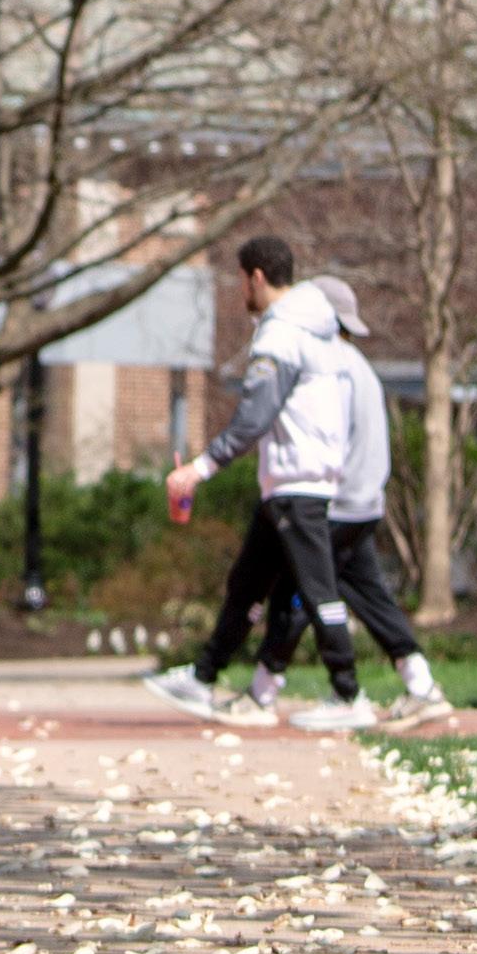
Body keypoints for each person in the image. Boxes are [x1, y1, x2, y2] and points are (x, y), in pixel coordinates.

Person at [145, 235, 375, 731]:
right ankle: (203, 678)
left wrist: (198, 468)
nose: (239, 293)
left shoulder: (280, 335)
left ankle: (349, 694)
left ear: (255, 277)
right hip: (292, 483)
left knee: (317, 592)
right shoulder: (316, 329)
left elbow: (253, 417)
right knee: (246, 583)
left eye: (240, 282)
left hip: (299, 484)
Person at [251, 275, 452, 727]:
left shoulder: (327, 366)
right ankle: (421, 685)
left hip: (334, 503)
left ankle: (314, 693)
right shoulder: (358, 365)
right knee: (367, 596)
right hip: (364, 502)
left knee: (297, 594)